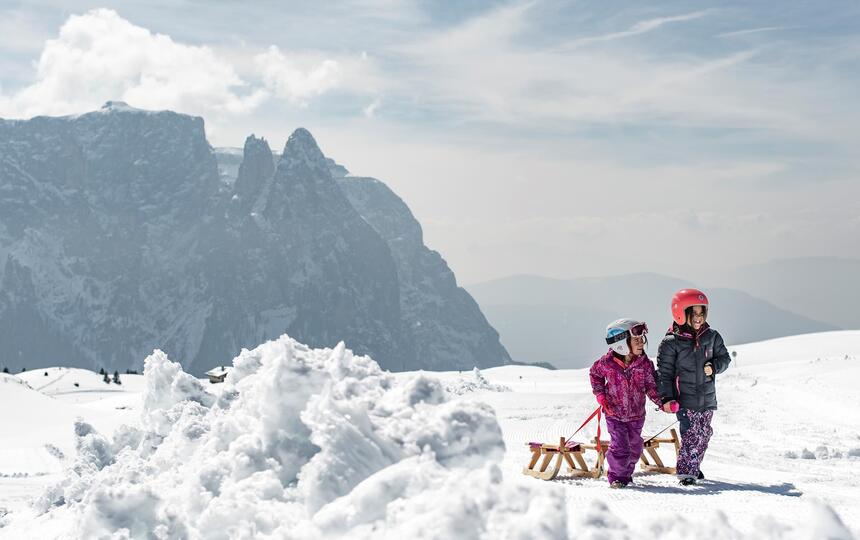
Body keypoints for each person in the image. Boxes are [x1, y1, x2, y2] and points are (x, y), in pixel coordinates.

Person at [656, 289, 732, 486]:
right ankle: (686, 472)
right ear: (681, 313)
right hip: (685, 399)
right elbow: (665, 373)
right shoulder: (671, 342)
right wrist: (667, 398)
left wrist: (715, 366)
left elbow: (725, 358)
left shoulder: (712, 337)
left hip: (707, 398)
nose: (698, 318)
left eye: (701, 313)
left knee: (704, 434)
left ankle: (693, 465)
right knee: (691, 435)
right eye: (694, 313)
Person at [589, 318, 666, 488]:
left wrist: (662, 403)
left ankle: (626, 473)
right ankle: (617, 477)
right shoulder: (606, 363)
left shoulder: (644, 364)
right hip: (614, 414)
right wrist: (600, 396)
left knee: (635, 447)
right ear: (621, 343)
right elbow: (595, 375)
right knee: (620, 447)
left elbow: (651, 387)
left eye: (642, 340)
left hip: (637, 415)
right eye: (636, 340)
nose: (641, 344)